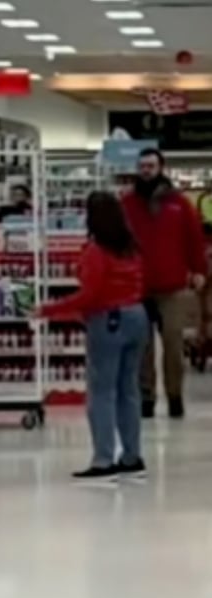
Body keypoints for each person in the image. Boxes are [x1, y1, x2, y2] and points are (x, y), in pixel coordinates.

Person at [37, 192, 148, 481]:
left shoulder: (96, 251)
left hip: (108, 320)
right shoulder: (132, 248)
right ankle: (132, 456)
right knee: (129, 390)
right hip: (137, 316)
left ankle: (103, 460)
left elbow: (90, 295)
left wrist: (49, 310)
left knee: (102, 392)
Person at [122, 148, 207, 419]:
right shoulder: (127, 203)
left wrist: (199, 270)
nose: (146, 170)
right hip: (137, 286)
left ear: (161, 168)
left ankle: (175, 396)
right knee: (142, 347)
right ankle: (146, 397)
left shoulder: (179, 203)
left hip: (172, 286)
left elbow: (194, 238)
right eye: (142, 166)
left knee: (173, 344)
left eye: (151, 165)